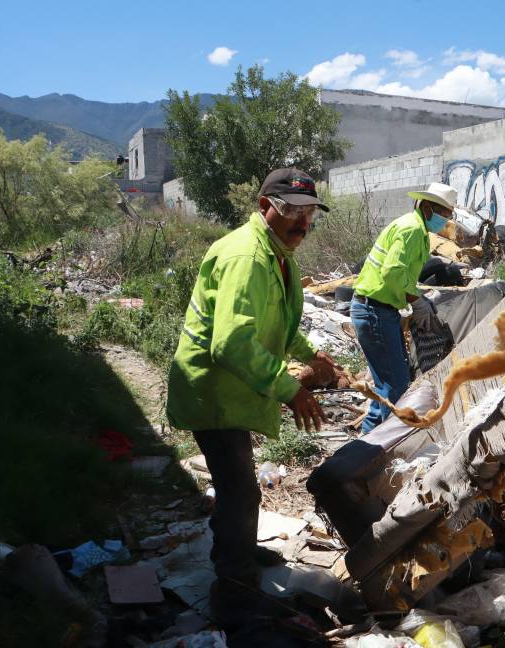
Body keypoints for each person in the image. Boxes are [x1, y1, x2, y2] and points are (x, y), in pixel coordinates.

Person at [166, 168, 341, 634]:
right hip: (214, 390)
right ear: (265, 205)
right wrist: (292, 389)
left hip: (233, 389)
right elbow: (232, 342)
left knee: (237, 485)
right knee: (241, 490)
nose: (302, 223)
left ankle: (237, 548)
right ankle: (234, 590)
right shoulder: (248, 256)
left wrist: (311, 353)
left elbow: (276, 321)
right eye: (291, 212)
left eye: (308, 214)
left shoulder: (278, 253)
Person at [351, 182, 456, 433]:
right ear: (428, 208)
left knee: (388, 387)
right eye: (445, 214)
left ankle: (365, 449)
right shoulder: (410, 230)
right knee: (395, 389)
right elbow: (392, 272)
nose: (447, 220)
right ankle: (380, 449)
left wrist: (418, 297)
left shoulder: (417, 231)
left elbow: (402, 275)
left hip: (378, 310)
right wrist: (416, 301)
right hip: (374, 310)